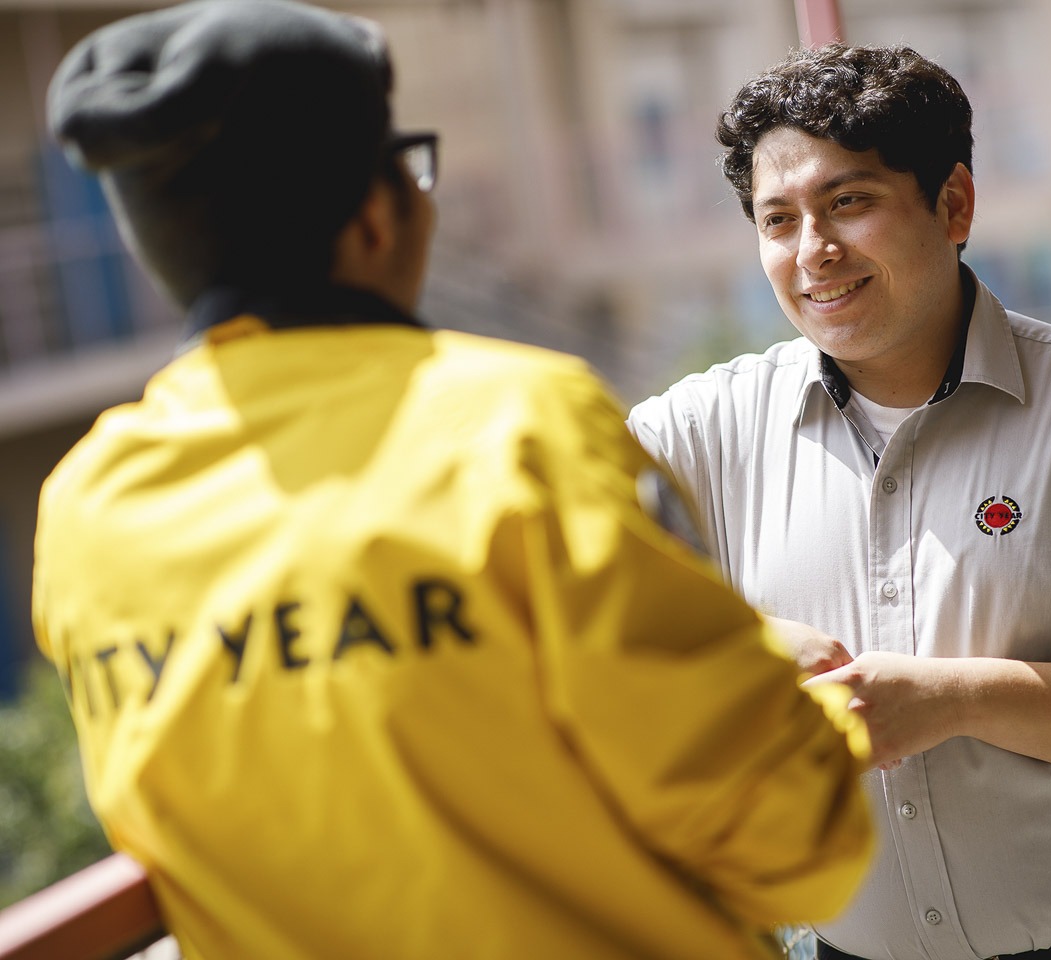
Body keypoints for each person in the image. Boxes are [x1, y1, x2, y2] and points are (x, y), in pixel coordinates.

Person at [31, 4, 873, 958]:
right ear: (377, 212)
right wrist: (797, 693)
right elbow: (795, 844)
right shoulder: (522, 425)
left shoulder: (87, 504)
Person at [628, 43, 1051, 960]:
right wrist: (754, 645)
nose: (814, 253)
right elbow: (543, 560)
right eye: (779, 220)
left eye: (850, 202)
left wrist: (952, 699)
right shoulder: (704, 429)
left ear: (953, 203)